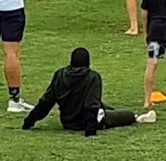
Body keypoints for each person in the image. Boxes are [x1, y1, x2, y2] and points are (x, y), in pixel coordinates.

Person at [22, 48, 157, 135]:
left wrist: (29, 121)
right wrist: (90, 130)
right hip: (86, 121)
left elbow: (46, 102)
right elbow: (91, 105)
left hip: (68, 121)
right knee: (124, 115)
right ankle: (136, 117)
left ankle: (120, 114)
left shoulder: (60, 75)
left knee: (105, 107)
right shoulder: (92, 77)